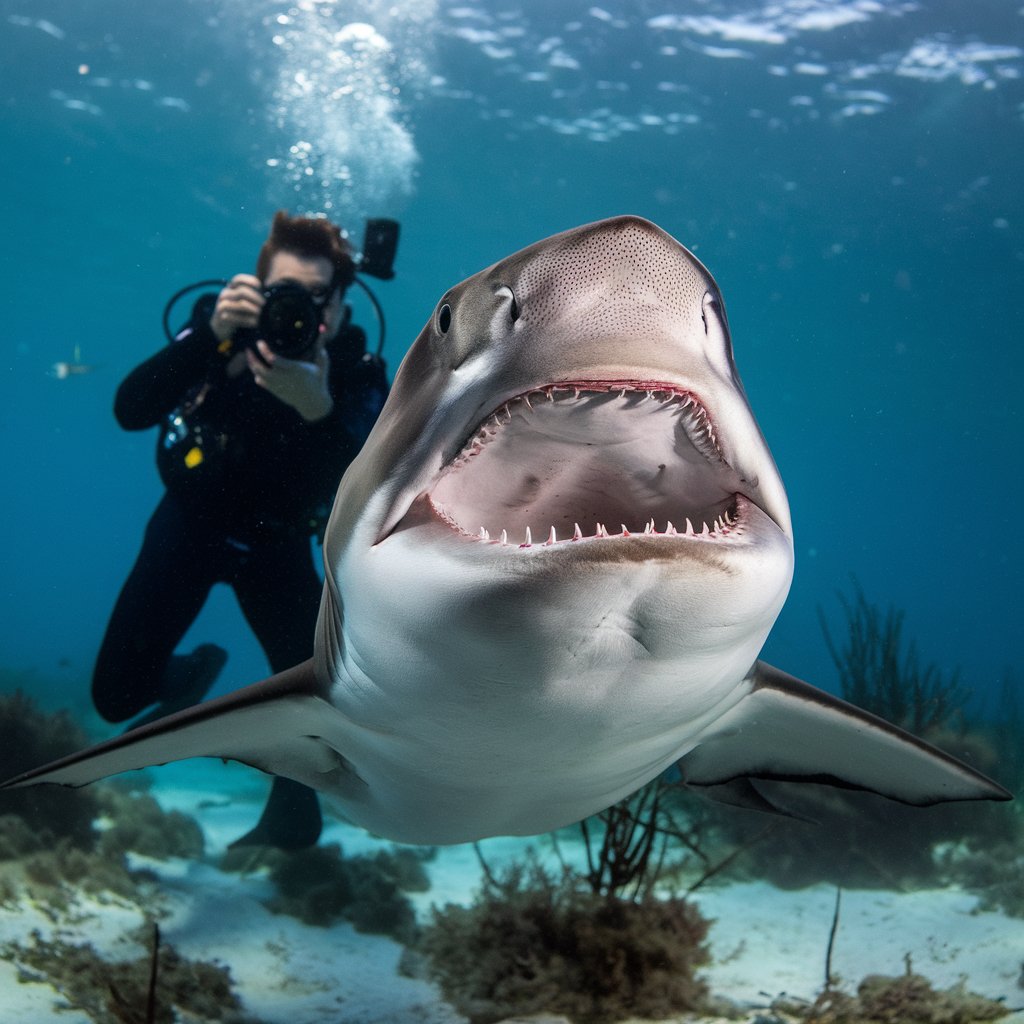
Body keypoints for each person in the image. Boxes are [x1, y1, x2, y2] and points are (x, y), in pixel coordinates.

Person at [93, 210, 389, 849]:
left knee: (318, 710)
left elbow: (371, 492)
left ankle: (291, 820)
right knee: (115, 698)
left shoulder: (358, 371)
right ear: (253, 287)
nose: (298, 312)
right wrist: (207, 338)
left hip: (277, 546)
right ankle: (190, 675)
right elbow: (129, 409)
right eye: (282, 292)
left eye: (316, 299)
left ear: (340, 305)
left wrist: (321, 410)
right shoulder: (217, 329)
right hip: (189, 525)